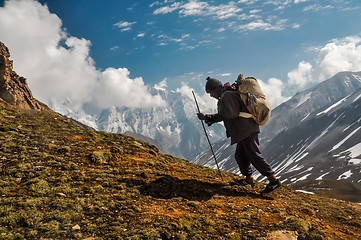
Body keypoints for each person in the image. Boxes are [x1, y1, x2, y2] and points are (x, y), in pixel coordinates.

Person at [197, 74, 281, 194]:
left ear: (216, 89)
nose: (211, 96)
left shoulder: (227, 96)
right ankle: (249, 179)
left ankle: (273, 180)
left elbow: (230, 114)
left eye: (211, 93)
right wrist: (208, 117)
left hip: (246, 130)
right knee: (240, 156)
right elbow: (228, 114)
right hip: (244, 130)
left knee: (254, 154)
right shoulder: (227, 95)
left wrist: (208, 117)